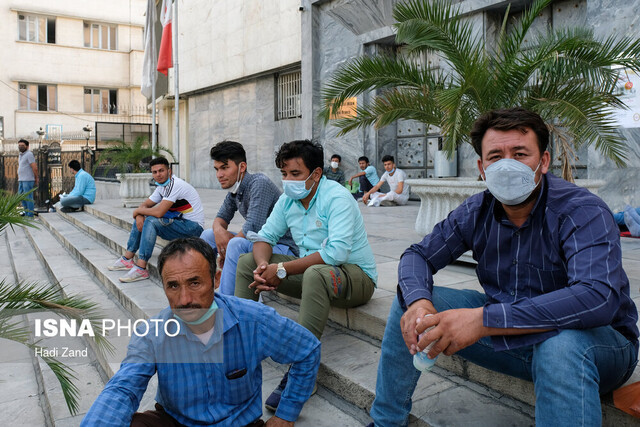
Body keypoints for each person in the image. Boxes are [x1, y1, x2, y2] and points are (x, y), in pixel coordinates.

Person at [368, 108, 639, 427]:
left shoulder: (581, 211)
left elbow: (597, 297)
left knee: (560, 346)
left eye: (520, 153)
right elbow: (418, 256)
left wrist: (485, 320)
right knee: (408, 304)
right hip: (513, 336)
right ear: (482, 168)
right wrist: (419, 301)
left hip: (596, 346)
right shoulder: (476, 211)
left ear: (544, 161)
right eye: (496, 156)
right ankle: (386, 421)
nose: (507, 164)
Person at [82, 237, 321, 426]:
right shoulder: (152, 333)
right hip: (175, 421)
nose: (185, 299)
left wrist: (286, 414)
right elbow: (123, 388)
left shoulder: (253, 320)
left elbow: (307, 350)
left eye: (195, 283)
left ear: (216, 279)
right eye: (173, 286)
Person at [235, 139, 377, 412]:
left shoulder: (337, 198)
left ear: (316, 174)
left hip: (356, 278)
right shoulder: (289, 200)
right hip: (317, 273)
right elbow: (265, 237)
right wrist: (265, 265)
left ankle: (302, 371)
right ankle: (241, 346)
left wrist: (283, 269)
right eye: (284, 174)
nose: (288, 181)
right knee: (246, 261)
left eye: (295, 174)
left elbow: (335, 255)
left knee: (316, 274)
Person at [200, 140, 298, 295]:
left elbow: (252, 227)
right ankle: (203, 289)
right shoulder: (235, 189)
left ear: (242, 167)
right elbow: (220, 219)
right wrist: (218, 231)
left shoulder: (259, 184)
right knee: (207, 236)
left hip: (284, 248)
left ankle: (226, 303)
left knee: (236, 244)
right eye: (217, 169)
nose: (219, 175)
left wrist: (226, 249)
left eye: (225, 168)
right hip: (259, 244)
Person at [108, 157, 205, 283]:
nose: (158, 175)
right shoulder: (161, 187)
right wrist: (138, 215)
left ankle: (141, 267)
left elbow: (159, 212)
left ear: (169, 171)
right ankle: (127, 259)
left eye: (161, 171)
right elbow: (144, 206)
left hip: (193, 227)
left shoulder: (175, 185)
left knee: (151, 220)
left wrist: (138, 211)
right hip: (179, 223)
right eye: (154, 172)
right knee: (145, 218)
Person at [17, 139, 38, 217]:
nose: (20, 147)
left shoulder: (29, 154)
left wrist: (36, 178)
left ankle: (30, 214)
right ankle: (26, 212)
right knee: (21, 197)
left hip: (28, 179)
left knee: (28, 197)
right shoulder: (20, 155)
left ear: (27, 146)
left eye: (22, 145)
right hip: (21, 179)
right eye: (19, 145)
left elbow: (34, 167)